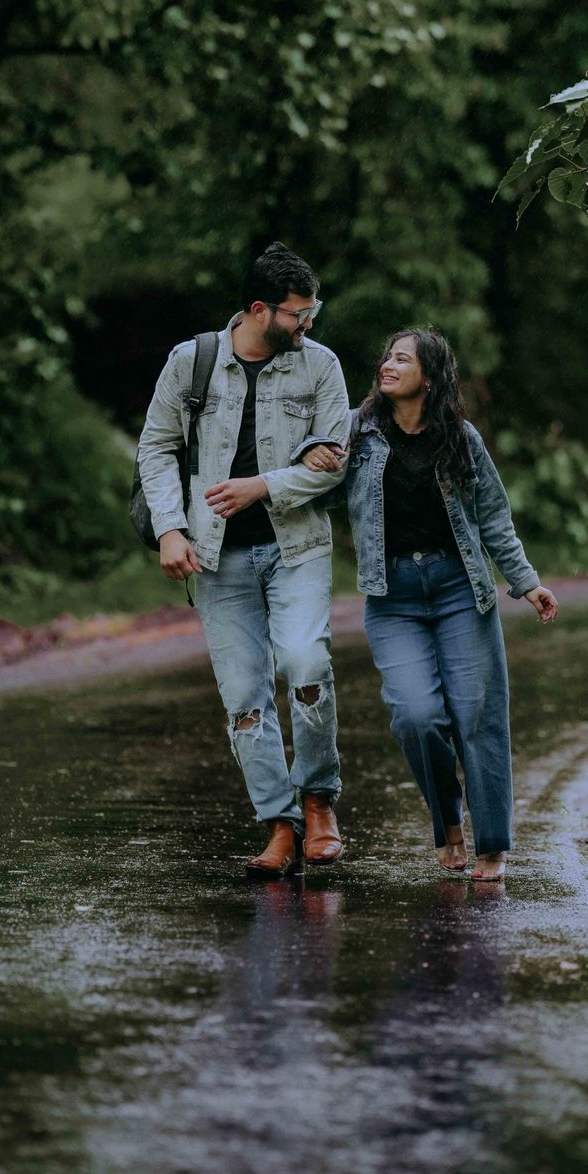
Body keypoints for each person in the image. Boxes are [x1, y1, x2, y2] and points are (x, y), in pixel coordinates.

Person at [302, 328, 557, 881]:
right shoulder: (355, 429)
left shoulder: (461, 439)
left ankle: (491, 847)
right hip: (391, 595)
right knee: (415, 716)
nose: (388, 365)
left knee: (477, 717)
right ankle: (448, 824)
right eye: (387, 356)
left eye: (402, 359)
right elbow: (312, 478)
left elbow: (493, 518)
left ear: (431, 375)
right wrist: (310, 454)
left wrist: (526, 582)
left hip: (460, 588)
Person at [137, 242, 350, 878]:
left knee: (306, 661)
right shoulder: (192, 362)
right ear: (260, 309)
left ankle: (318, 803)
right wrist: (170, 530)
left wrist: (265, 485)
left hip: (297, 548)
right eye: (297, 313)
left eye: (313, 311)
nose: (308, 323)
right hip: (215, 556)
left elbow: (335, 459)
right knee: (244, 698)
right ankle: (278, 824)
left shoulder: (320, 367)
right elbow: (156, 447)